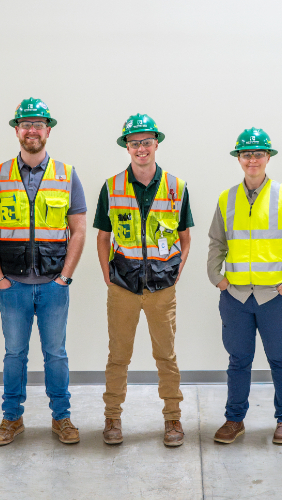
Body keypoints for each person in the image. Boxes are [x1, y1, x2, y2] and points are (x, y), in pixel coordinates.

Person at [0, 98, 86, 446]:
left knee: (56, 354)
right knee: (14, 354)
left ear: (48, 130)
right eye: (26, 124)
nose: (32, 130)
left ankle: (62, 418)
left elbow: (79, 229)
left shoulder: (67, 175)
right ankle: (12, 418)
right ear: (16, 130)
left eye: (38, 124)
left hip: (54, 284)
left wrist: (64, 277)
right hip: (14, 286)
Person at [94, 114, 193, 446]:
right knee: (118, 356)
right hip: (122, 285)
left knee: (166, 356)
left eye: (146, 142)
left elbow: (185, 236)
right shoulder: (112, 187)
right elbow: (103, 236)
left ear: (156, 144)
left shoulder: (177, 187)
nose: (141, 149)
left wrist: (176, 271)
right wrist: (108, 275)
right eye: (134, 143)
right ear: (127, 147)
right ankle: (112, 419)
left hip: (161, 289)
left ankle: (173, 420)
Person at [207, 128, 282, 445]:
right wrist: (217, 277)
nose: (252, 159)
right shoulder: (227, 198)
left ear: (268, 158)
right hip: (236, 296)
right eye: (246, 154)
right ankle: (234, 419)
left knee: (280, 358)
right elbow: (216, 242)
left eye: (258, 154)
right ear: (239, 159)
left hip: (275, 297)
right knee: (239, 361)